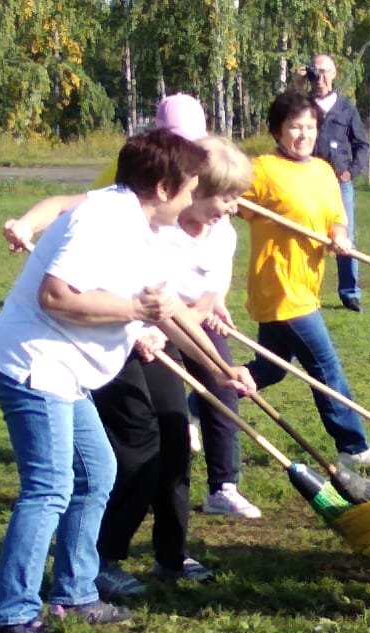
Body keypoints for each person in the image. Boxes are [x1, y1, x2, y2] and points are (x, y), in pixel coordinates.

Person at [0, 129, 251, 633]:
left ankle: (76, 594)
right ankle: (11, 619)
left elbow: (168, 309)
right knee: (49, 487)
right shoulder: (102, 220)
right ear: (163, 186)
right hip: (34, 365)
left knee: (97, 472)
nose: (196, 196)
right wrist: (132, 310)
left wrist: (222, 369)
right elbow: (55, 296)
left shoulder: (146, 226)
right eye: (191, 187)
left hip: (65, 370)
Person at [92, 93, 261, 519]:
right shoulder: (152, 220)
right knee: (152, 424)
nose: (234, 209)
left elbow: (212, 283)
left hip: (189, 321)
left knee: (223, 385)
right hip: (146, 326)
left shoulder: (223, 231)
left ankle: (223, 485)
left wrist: (213, 303)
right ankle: (119, 489)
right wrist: (148, 328)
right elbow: (141, 288)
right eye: (226, 199)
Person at [240, 89, 370, 467]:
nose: (303, 134)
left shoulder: (323, 170)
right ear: (277, 130)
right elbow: (225, 201)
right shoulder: (262, 169)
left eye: (309, 127)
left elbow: (336, 216)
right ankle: (352, 446)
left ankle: (198, 404)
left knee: (270, 368)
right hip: (279, 286)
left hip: (307, 284)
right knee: (325, 366)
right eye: (294, 127)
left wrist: (339, 236)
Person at [298, 54, 368, 313]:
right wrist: (296, 86)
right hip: (306, 181)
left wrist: (352, 171)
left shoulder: (346, 108)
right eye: (315, 72)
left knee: (344, 237)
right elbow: (282, 119)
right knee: (304, 235)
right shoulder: (303, 106)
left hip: (339, 183)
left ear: (334, 74)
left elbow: (362, 144)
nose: (320, 78)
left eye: (324, 72)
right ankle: (304, 291)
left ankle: (350, 293)